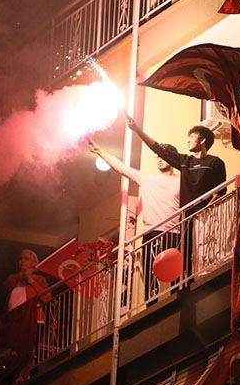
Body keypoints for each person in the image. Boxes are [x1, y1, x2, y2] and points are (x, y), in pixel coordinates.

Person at [125, 117, 227, 282]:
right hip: (186, 218)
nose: (188, 140)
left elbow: (221, 190)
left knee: (204, 253)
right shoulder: (186, 161)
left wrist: (207, 208)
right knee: (184, 257)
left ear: (203, 140)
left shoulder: (215, 162)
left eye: (192, 137)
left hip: (206, 216)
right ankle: (185, 285)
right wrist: (137, 129)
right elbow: (158, 148)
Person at [86, 139, 180, 304]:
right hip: (152, 232)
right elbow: (121, 168)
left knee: (175, 276)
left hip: (174, 231)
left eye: (162, 156)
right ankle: (151, 307)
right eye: (156, 156)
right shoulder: (148, 178)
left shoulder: (181, 180)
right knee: (151, 276)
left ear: (172, 158)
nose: (158, 159)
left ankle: (177, 303)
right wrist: (100, 151)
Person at [4, 249, 50, 323]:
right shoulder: (13, 278)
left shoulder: (39, 279)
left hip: (32, 319)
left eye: (26, 259)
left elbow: (47, 298)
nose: (22, 261)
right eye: (20, 259)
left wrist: (31, 280)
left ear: (34, 263)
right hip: (13, 320)